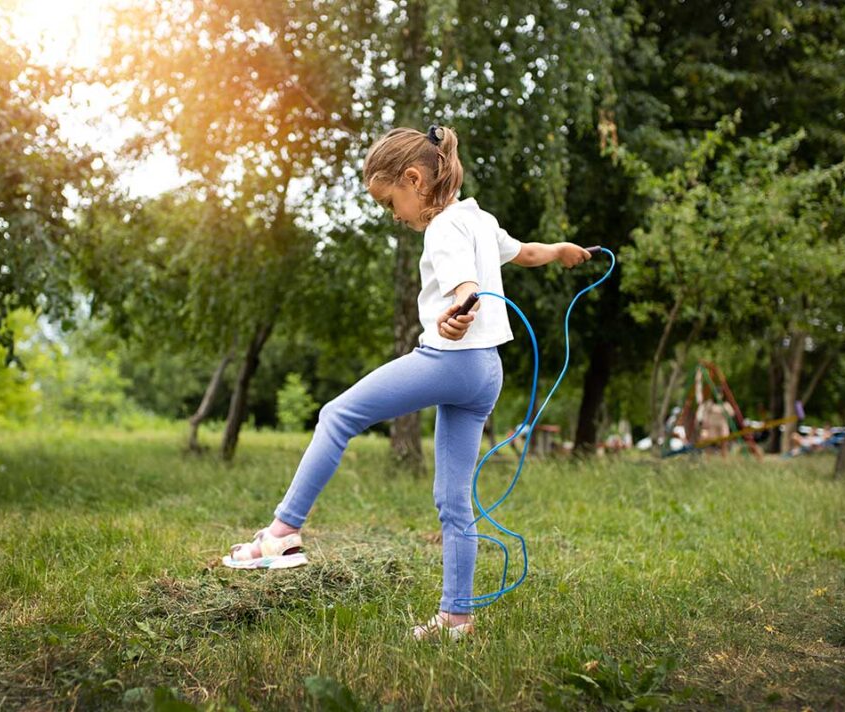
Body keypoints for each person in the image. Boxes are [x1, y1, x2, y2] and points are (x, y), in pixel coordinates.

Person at [222, 125, 593, 640]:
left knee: (337, 415)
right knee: (453, 501)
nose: (393, 214)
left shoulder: (442, 227)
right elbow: (523, 251)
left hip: (451, 359)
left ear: (415, 180)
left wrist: (461, 308)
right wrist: (560, 251)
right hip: (486, 372)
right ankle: (456, 618)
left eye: (389, 200)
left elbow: (464, 281)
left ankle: (282, 533)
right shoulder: (479, 218)